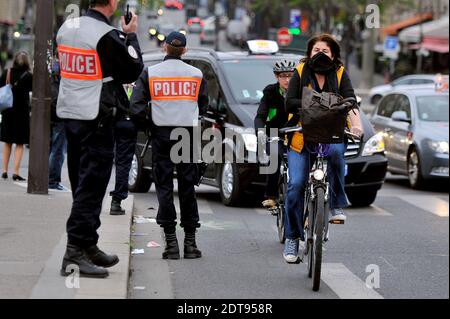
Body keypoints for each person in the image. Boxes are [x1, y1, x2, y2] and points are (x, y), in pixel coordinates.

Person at [56, 0, 144, 278]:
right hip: (97, 117)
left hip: (71, 113)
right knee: (91, 188)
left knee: (81, 184)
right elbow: (131, 69)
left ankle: (87, 245)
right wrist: (130, 35)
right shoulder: (105, 35)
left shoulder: (66, 28)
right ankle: (74, 253)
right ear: (113, 3)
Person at [283, 34, 363, 264]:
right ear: (309, 53)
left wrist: (356, 126)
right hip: (301, 135)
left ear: (334, 54)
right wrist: (319, 103)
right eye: (315, 49)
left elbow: (351, 101)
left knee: (338, 153)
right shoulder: (300, 71)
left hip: (331, 134)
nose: (319, 53)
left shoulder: (339, 73)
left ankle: (337, 203)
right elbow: (290, 102)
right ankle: (292, 237)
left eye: (325, 50)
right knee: (296, 185)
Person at [131, 31, 208, 260]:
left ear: (165, 47)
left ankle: (171, 243)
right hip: (187, 134)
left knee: (164, 188)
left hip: (162, 134)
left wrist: (150, 122)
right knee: (187, 188)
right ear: (185, 50)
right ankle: (191, 244)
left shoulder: (151, 72)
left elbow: (135, 107)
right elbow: (203, 105)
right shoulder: (196, 74)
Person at [254, 60, 293, 209]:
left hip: (295, 135)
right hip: (275, 134)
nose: (287, 80)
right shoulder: (270, 92)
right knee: (275, 155)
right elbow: (260, 117)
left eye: (290, 75)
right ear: (277, 77)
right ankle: (271, 196)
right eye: (283, 76)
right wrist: (260, 132)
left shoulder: (300, 92)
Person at [0, 51, 33, 181]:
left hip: (8, 111)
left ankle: (4, 170)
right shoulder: (29, 76)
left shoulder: (7, 72)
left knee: (8, 142)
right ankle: (16, 171)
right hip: (22, 113)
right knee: (19, 143)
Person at [109, 83, 137, 215]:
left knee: (103, 159)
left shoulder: (115, 76)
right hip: (129, 121)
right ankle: (116, 200)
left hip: (112, 119)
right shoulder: (138, 77)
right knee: (123, 163)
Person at [48, 58, 68, 191]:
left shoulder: (51, 68)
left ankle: (48, 178)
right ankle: (53, 181)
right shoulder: (64, 68)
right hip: (61, 114)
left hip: (50, 113)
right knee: (58, 150)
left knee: (51, 148)